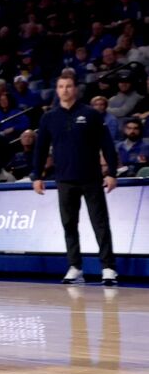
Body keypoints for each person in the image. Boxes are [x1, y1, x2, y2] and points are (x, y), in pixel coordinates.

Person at [32, 72, 120, 285]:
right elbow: (41, 148)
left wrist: (111, 173)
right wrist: (37, 175)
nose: (65, 90)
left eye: (69, 86)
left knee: (100, 223)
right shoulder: (49, 117)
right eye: (61, 86)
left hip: (91, 178)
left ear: (76, 89)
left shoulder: (91, 114)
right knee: (69, 224)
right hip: (64, 179)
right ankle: (75, 266)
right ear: (57, 90)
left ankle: (108, 268)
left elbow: (107, 144)